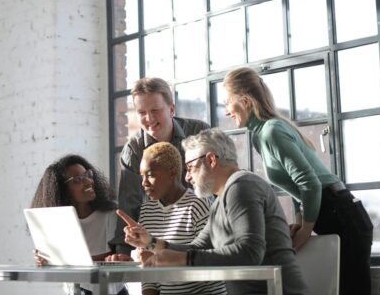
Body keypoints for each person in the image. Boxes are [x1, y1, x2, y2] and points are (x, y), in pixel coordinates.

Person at [223, 66, 373, 295]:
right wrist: (301, 221)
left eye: (227, 102)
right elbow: (297, 186)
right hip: (333, 214)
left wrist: (304, 233)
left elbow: (310, 184)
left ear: (244, 101)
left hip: (342, 214)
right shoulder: (260, 136)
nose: (226, 111)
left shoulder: (272, 131)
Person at [119, 129, 309, 295]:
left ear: (211, 160)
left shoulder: (242, 186)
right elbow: (198, 247)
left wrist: (185, 259)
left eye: (190, 167)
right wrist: (151, 242)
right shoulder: (222, 200)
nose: (186, 177)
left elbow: (250, 252)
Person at [113, 77, 211, 255]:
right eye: (142, 112)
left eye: (155, 110)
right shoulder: (134, 149)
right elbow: (130, 204)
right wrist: (123, 252)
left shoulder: (198, 133)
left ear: (171, 109)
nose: (149, 118)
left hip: (204, 228)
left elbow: (217, 184)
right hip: (158, 236)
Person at [136, 142, 226, 295]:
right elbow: (150, 277)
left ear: (172, 173)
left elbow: (208, 261)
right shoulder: (146, 211)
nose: (144, 183)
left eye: (150, 175)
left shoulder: (199, 204)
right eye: (142, 176)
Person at [31, 154, 128, 295]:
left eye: (88, 175)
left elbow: (109, 260)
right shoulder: (59, 221)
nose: (88, 181)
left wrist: (58, 260)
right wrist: (45, 258)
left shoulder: (110, 213)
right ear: (63, 190)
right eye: (78, 180)